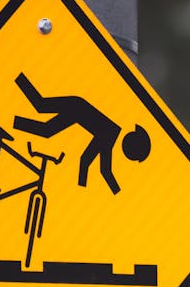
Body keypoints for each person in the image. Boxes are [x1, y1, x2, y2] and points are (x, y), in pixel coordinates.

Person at [12, 71, 150, 195]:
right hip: (75, 108)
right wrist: (118, 194)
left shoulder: (112, 134)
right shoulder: (110, 135)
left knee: (44, 120)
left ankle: (14, 118)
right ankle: (14, 74)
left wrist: (82, 186)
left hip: (76, 107)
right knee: (41, 107)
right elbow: (104, 170)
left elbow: (88, 161)